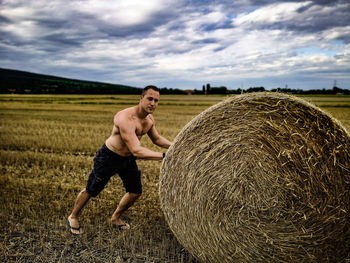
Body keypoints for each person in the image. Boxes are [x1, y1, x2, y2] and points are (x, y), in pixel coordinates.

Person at [67, 85, 172, 235]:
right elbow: (136, 150)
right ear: (141, 98)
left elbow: (156, 139)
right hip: (108, 157)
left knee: (135, 191)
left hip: (127, 160)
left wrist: (175, 147)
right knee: (92, 189)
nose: (153, 103)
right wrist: (165, 156)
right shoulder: (125, 118)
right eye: (149, 99)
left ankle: (115, 218)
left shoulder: (149, 120)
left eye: (156, 100)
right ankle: (73, 216)